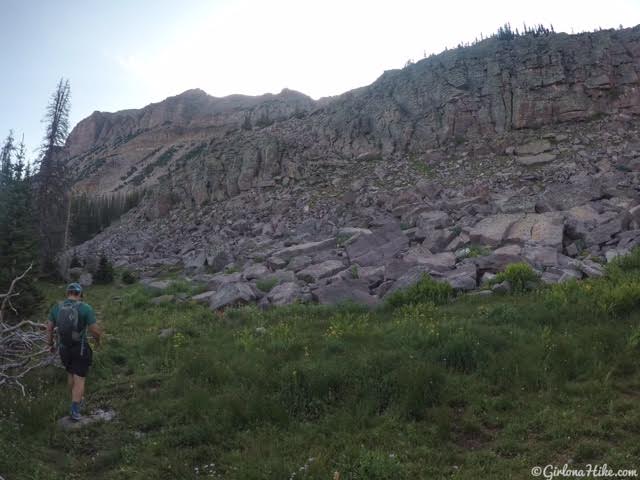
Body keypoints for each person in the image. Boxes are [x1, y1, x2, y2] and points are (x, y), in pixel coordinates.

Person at [46, 283, 102, 421]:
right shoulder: (85, 308)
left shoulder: (56, 307)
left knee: (71, 373)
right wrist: (98, 341)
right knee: (80, 378)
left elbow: (49, 328)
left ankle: (74, 398)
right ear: (80, 294)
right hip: (80, 348)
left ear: (68, 293)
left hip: (64, 349)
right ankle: (75, 409)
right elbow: (94, 330)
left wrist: (50, 344)